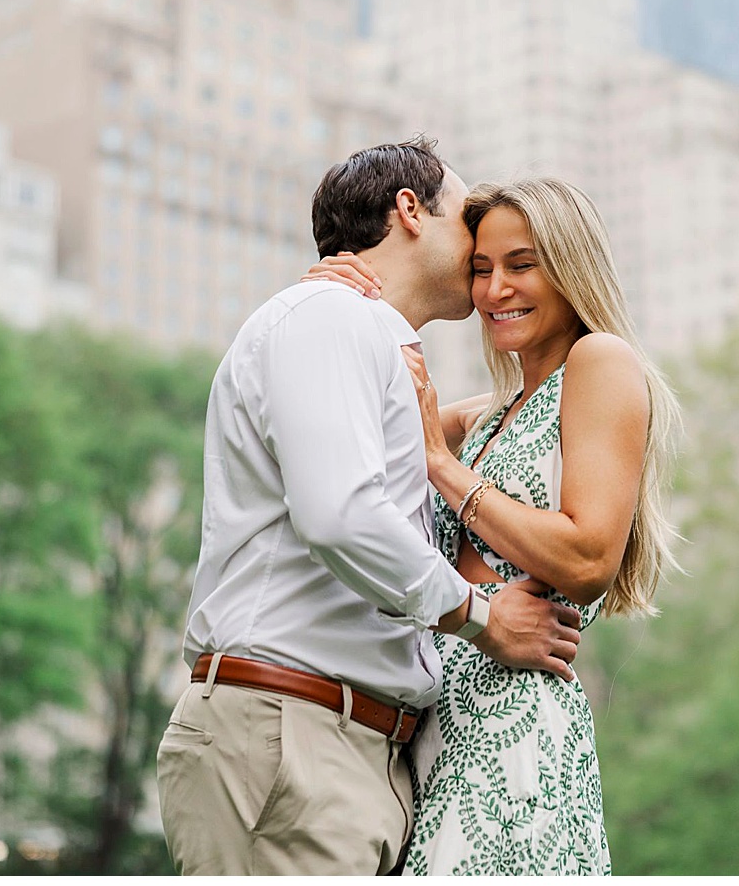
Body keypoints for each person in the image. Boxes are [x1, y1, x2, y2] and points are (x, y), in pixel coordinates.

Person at [156, 138, 586, 876]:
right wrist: (483, 620)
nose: (480, 255)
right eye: (467, 224)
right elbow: (340, 516)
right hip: (291, 735)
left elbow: (493, 421)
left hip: (343, 750)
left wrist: (584, 377)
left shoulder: (364, 336)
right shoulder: (331, 318)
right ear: (410, 211)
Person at [309, 176, 680, 874]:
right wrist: (343, 291)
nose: (495, 289)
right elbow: (378, 410)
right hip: (432, 730)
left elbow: (589, 554)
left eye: (522, 263)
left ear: (571, 267)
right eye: (481, 269)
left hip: (515, 727)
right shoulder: (498, 411)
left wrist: (444, 468)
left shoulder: (601, 362)